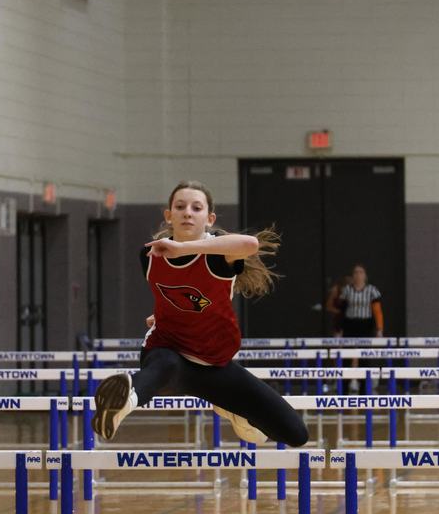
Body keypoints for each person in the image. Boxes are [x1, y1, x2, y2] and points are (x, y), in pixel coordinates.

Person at [91, 180, 309, 448]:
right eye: (180, 207)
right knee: (164, 365)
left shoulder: (220, 253)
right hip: (169, 351)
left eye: (196, 208)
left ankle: (234, 411)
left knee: (296, 435)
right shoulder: (150, 255)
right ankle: (123, 403)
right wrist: (161, 313)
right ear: (169, 216)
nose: (188, 213)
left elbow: (250, 244)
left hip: (214, 365)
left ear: (210, 218)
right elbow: (168, 293)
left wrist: (185, 248)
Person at [339, 264, 383, 339]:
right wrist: (339, 329)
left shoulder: (372, 290)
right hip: (350, 324)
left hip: (366, 324)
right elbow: (342, 310)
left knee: (364, 347)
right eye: (356, 272)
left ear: (365, 276)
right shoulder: (347, 290)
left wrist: (379, 329)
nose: (358, 275)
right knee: (349, 348)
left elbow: (377, 311)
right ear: (352, 275)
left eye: (361, 272)